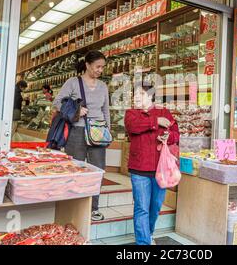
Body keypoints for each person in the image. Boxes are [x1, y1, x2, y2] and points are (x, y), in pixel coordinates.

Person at [53, 50, 110, 222]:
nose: (100, 70)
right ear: (87, 65)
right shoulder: (73, 82)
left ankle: (93, 208)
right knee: (75, 168)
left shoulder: (103, 86)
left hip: (98, 132)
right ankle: (73, 204)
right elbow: (57, 103)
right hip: (76, 131)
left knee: (97, 170)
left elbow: (105, 110)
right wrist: (76, 110)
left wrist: (107, 131)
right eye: (97, 66)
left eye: (102, 67)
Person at [124, 83, 180, 245]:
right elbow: (133, 127)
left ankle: (148, 234)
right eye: (135, 94)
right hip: (139, 168)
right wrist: (156, 122)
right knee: (141, 208)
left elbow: (176, 134)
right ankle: (143, 243)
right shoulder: (131, 113)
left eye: (141, 94)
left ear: (150, 96)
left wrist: (167, 138)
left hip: (160, 169)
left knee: (155, 207)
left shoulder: (164, 112)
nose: (136, 97)